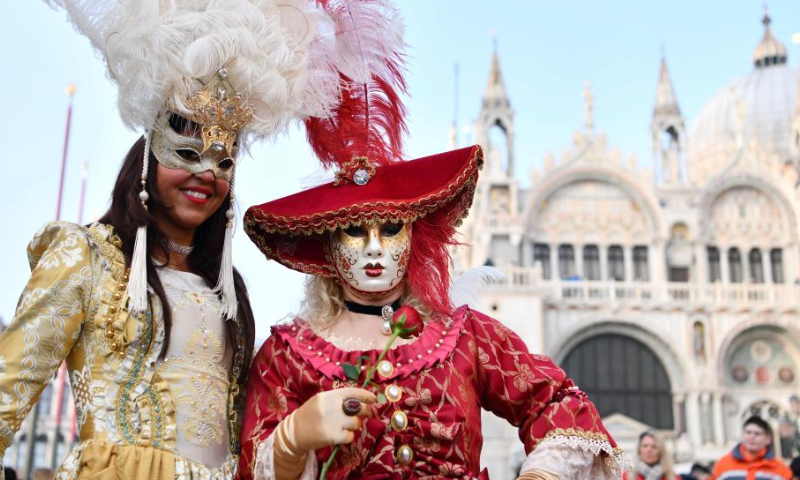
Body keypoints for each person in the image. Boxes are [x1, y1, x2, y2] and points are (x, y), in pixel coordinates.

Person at [237, 5, 628, 477]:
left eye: (391, 229)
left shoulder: (465, 336)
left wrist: (541, 473)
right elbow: (252, 463)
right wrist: (292, 439)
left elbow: (557, 402)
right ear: (326, 246)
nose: (375, 248)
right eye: (355, 231)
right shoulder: (289, 355)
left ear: (414, 238)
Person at [0, 1, 341, 478]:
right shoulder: (87, 257)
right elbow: (7, 392)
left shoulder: (227, 291)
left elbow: (242, 435)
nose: (206, 173)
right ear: (149, 156)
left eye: (223, 160)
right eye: (186, 151)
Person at [709, 415, 792, 480]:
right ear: (742, 435)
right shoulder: (723, 465)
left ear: (768, 439)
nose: (752, 437)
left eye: (757, 434)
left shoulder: (780, 469)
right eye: (748, 432)